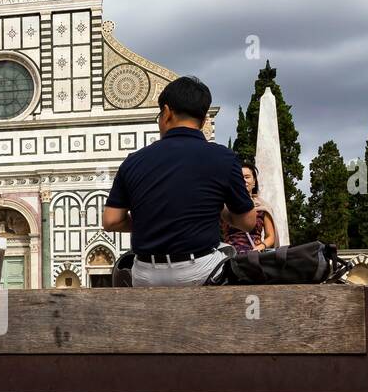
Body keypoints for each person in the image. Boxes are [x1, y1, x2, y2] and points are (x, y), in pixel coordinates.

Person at [103, 76, 255, 286]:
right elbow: (248, 222)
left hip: (146, 275)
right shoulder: (224, 158)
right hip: (199, 271)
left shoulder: (133, 161)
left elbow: (111, 220)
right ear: (203, 121)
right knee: (227, 253)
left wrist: (152, 221)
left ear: (166, 113)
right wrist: (217, 210)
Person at [221, 161, 276, 253]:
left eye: (247, 177)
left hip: (254, 256)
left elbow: (270, 236)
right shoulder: (225, 206)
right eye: (240, 177)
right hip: (229, 256)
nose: (243, 180)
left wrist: (261, 247)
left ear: (254, 181)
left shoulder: (263, 207)